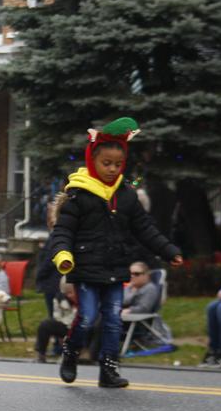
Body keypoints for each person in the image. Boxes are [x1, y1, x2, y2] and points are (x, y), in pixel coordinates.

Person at [50, 117, 183, 388]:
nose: (112, 169)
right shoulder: (79, 195)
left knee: (113, 320)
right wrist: (63, 254)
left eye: (117, 164)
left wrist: (168, 251)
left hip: (115, 266)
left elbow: (145, 228)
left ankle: (108, 370)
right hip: (86, 268)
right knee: (86, 318)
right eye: (106, 163)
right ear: (92, 161)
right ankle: (71, 352)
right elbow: (63, 231)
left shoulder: (126, 195)